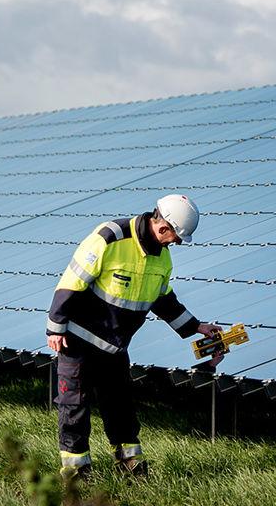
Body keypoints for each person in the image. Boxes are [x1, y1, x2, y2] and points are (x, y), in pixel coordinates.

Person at [46, 194, 221, 479]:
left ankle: (131, 464)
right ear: (163, 227)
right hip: (77, 340)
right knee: (74, 405)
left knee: (120, 405)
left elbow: (163, 300)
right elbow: (72, 281)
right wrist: (55, 326)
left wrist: (196, 327)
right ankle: (77, 473)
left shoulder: (162, 259)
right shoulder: (110, 238)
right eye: (176, 237)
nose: (177, 243)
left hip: (115, 347)